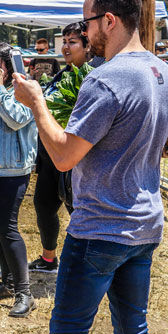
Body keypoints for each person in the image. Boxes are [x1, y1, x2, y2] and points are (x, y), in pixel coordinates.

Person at [13, 0, 168, 334]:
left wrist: (37, 103)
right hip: (145, 226)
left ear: (109, 20)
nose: (83, 31)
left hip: (99, 230)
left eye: (87, 21)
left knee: (68, 333)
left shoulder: (104, 79)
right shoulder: (164, 72)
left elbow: (63, 157)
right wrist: (133, 147)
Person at [29, 22, 100, 274]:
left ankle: (84, 265)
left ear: (87, 44)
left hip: (77, 157)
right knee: (43, 204)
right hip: (50, 155)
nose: (66, 47)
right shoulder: (62, 74)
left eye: (73, 42)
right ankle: (49, 258)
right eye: (64, 41)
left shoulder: (94, 76)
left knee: (75, 209)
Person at [0, 43, 38, 318]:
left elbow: (15, 119)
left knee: (7, 229)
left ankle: (25, 293)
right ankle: (8, 284)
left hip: (11, 171)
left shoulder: (25, 90)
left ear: (9, 67)